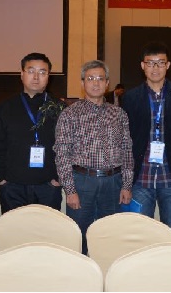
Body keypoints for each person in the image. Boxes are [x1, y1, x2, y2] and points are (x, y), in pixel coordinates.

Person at [54, 60, 133, 254]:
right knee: (78, 238)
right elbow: (62, 153)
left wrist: (126, 185)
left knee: (110, 237)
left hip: (113, 183)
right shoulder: (70, 114)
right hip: (82, 183)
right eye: (90, 79)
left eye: (100, 78)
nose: (96, 83)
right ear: (82, 83)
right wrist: (70, 190)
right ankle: (79, 272)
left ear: (107, 83)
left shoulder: (119, 114)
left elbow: (127, 150)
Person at [121, 41, 171, 238]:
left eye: (160, 63)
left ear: (168, 65)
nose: (155, 68)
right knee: (140, 236)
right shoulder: (130, 98)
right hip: (141, 178)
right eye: (150, 63)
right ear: (142, 66)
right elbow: (125, 141)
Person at [0, 53, 66, 212]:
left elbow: (67, 147)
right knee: (13, 228)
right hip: (12, 187)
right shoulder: (5, 108)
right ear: (21, 74)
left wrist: (58, 179)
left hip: (48, 186)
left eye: (42, 72)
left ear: (49, 76)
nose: (36, 77)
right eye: (31, 71)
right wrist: (1, 179)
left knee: (47, 228)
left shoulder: (60, 108)